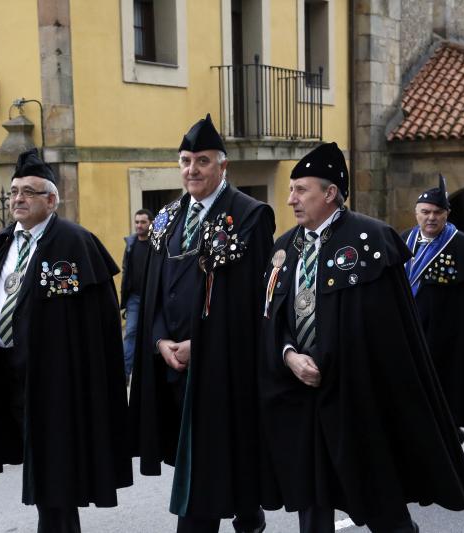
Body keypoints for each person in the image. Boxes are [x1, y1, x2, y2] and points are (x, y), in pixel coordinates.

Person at [259, 143, 464, 533]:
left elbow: (390, 333)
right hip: (301, 394)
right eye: (291, 190)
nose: (291, 199)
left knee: (375, 492)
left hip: (356, 393)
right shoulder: (284, 248)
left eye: (301, 189)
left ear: (330, 194)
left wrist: (335, 362)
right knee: (311, 495)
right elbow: (272, 317)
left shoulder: (371, 240)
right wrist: (289, 353)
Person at [0, 148, 131, 533]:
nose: (18, 198)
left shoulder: (74, 242)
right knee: (40, 470)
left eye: (30, 192)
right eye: (14, 191)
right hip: (8, 373)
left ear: (51, 200)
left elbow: (95, 324)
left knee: (56, 476)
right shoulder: (4, 242)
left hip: (57, 382)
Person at [129, 114, 275, 533]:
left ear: (223, 166)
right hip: (171, 361)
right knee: (203, 457)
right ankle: (247, 511)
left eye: (203, 161)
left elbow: (254, 302)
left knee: (206, 471)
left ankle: (240, 514)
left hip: (222, 364)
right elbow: (151, 288)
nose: (192, 170)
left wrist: (202, 344)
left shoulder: (250, 216)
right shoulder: (167, 217)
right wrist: (159, 340)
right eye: (186, 161)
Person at [402, 175, 464, 444]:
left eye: (437, 212)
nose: (431, 218)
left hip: (448, 334)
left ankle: (449, 432)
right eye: (425, 212)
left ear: (447, 214)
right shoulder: (402, 240)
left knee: (445, 388)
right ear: (416, 213)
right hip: (410, 328)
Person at [120, 208, 153, 384]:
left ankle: (150, 374)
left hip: (153, 297)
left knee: (152, 334)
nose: (139, 225)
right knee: (131, 332)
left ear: (150, 223)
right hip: (134, 298)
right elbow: (126, 272)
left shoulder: (156, 244)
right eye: (137, 222)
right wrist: (124, 300)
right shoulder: (131, 245)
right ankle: (125, 373)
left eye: (143, 222)